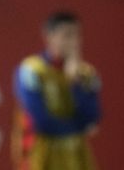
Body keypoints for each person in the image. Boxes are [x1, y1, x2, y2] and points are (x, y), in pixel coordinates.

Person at [12, 11, 101, 170]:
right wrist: (78, 127)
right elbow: (40, 121)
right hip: (40, 157)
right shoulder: (32, 70)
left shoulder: (87, 73)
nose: (73, 42)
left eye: (77, 35)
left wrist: (75, 84)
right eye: (67, 35)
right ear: (49, 36)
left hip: (77, 157)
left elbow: (92, 117)